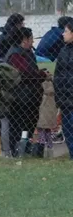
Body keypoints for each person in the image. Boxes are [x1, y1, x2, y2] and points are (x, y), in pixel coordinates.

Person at [7, 27, 48, 157]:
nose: (33, 42)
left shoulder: (26, 52)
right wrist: (41, 75)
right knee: (19, 125)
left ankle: (27, 149)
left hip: (30, 97)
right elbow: (24, 74)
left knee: (29, 124)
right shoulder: (15, 55)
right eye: (31, 39)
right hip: (20, 98)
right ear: (24, 40)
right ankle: (18, 150)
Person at [53, 18, 73, 159]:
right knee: (68, 129)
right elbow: (58, 74)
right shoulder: (64, 51)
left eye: (66, 31)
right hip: (65, 99)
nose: (63, 34)